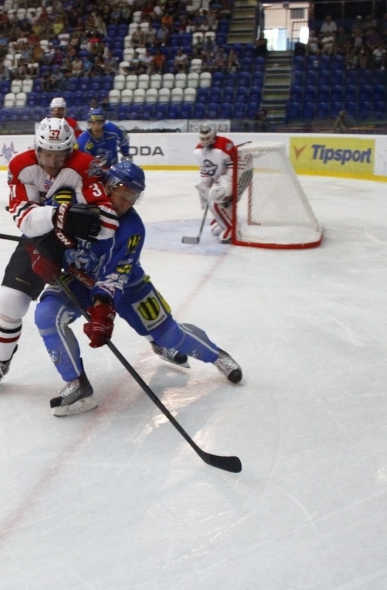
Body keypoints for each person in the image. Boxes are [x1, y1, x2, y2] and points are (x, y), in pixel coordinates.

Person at [32, 161, 242, 416]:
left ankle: (215, 355)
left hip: (129, 286)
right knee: (46, 316)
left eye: (132, 198)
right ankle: (77, 383)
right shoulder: (75, 203)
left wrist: (102, 312)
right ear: (107, 187)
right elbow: (37, 227)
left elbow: (116, 275)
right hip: (79, 281)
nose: (125, 204)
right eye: (122, 195)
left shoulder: (132, 228)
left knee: (168, 335)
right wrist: (38, 253)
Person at [0, 117, 115, 393]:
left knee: (120, 291)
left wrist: (63, 218)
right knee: (10, 301)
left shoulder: (85, 165)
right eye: (47, 153)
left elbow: (107, 224)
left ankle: (159, 338)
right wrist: (62, 214)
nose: (53, 161)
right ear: (37, 148)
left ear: (70, 150)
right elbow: (26, 222)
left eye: (59, 154)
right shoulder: (21, 166)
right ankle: (1, 362)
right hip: (41, 242)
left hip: (82, 246)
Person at [194, 125, 241, 244]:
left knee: (217, 198)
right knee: (209, 198)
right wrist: (205, 184)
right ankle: (224, 220)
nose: (205, 141)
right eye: (202, 138)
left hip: (235, 176)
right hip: (219, 179)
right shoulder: (198, 150)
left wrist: (229, 180)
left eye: (207, 138)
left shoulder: (224, 144)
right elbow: (205, 168)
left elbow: (232, 163)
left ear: (213, 136)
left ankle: (232, 228)